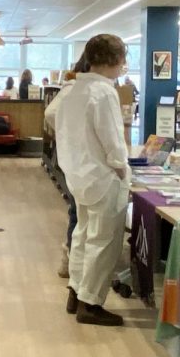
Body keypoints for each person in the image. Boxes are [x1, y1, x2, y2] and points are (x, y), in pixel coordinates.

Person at [54, 34, 129, 326]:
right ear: (114, 60)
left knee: (82, 235)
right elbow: (112, 139)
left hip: (78, 176)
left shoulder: (72, 90)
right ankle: (90, 302)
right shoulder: (104, 92)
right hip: (103, 178)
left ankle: (75, 292)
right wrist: (121, 167)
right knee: (104, 241)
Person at [45, 55, 89, 278]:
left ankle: (71, 261)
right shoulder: (76, 89)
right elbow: (51, 114)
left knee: (77, 212)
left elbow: (51, 114)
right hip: (82, 162)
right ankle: (74, 263)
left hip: (76, 160)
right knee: (78, 213)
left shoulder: (77, 88)